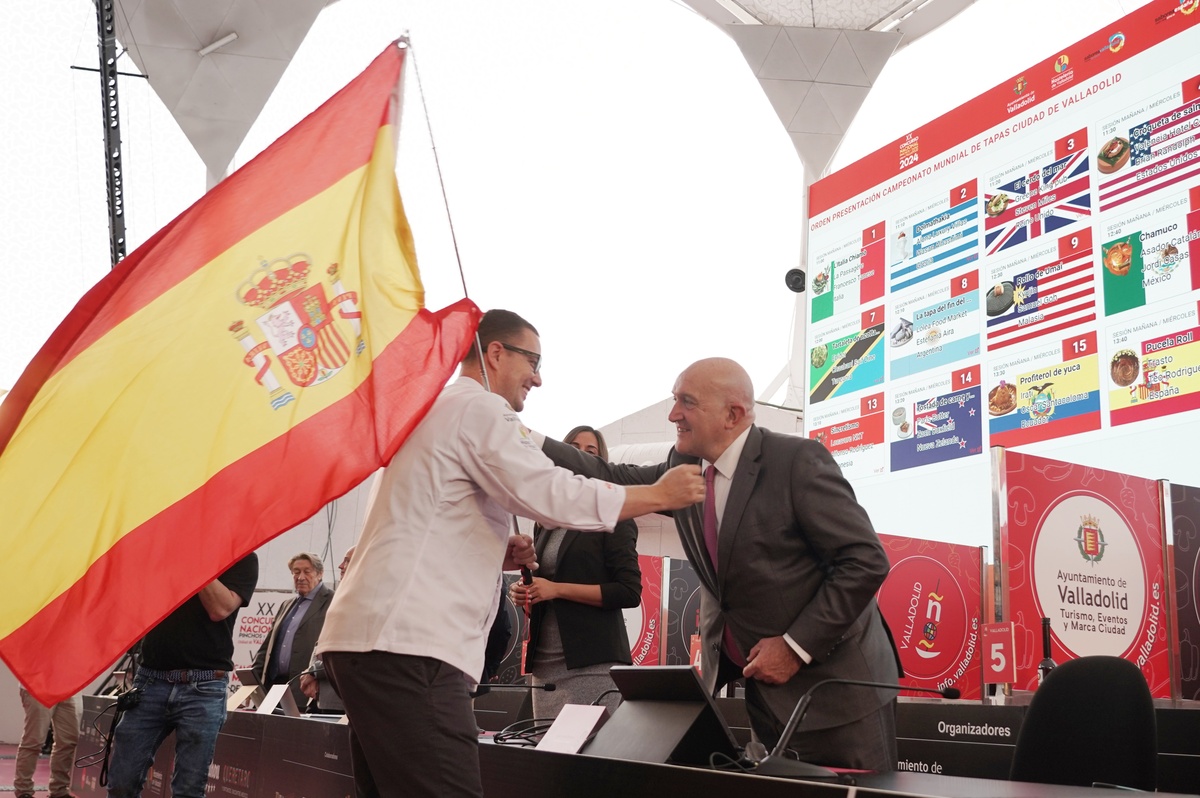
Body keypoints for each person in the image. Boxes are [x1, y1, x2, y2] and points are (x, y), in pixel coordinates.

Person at [315, 309, 705, 798]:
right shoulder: (477, 409)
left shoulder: (431, 413)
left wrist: (498, 551)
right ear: (494, 353)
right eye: (533, 361)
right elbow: (550, 491)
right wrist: (656, 496)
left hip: (372, 643)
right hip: (410, 646)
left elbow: (431, 519)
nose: (538, 378)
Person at [541, 357, 901, 771]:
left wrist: (795, 647)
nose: (673, 414)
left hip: (839, 697)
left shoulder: (797, 461)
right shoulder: (685, 471)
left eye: (686, 402)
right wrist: (525, 439)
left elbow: (864, 561)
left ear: (733, 414)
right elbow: (610, 473)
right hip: (766, 694)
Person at [509, 425, 641, 717]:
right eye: (573, 448)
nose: (579, 456)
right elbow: (544, 593)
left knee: (583, 756)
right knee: (546, 757)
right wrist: (528, 593)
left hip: (593, 663)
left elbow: (629, 591)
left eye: (590, 452)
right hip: (545, 665)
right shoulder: (546, 521)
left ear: (600, 465)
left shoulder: (614, 518)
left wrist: (556, 589)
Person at [107, 554, 259, 798]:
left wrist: (193, 557)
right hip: (151, 679)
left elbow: (220, 608)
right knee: (122, 782)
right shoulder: (165, 550)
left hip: (205, 684)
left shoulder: (241, 557)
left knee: (189, 789)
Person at [250, 552, 333, 707]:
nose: (300, 577)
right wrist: (252, 684)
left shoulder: (332, 601)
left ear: (320, 573)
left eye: (307, 572)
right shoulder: (286, 605)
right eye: (296, 572)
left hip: (305, 689)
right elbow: (267, 648)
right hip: (272, 688)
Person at [300, 546, 354, 710]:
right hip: (324, 695)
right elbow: (323, 643)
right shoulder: (344, 597)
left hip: (342, 700)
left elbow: (347, 649)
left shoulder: (364, 601)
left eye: (347, 561)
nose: (340, 566)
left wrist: (314, 672)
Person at [15, 689, 79, 798]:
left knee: (68, 741)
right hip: (38, 685)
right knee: (34, 740)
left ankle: (59, 789)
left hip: (67, 687)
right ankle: (23, 790)